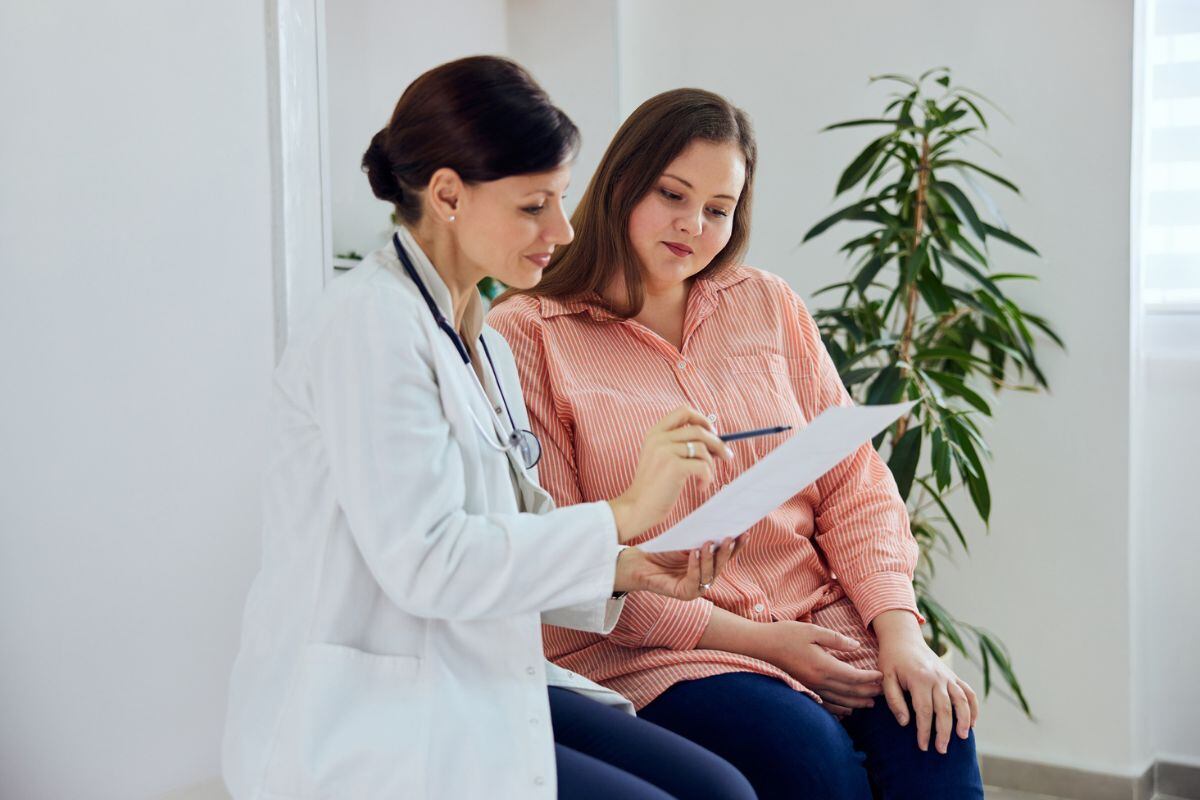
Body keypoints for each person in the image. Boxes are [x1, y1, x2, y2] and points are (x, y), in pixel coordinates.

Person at [221, 59, 754, 800]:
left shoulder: (485, 341)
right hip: (375, 714)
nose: (563, 231)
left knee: (721, 790)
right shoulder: (368, 326)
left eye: (563, 201)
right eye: (535, 205)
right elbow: (431, 562)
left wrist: (628, 564)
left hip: (470, 673)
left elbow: (516, 523)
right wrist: (624, 512)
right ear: (446, 194)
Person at [488, 87, 985, 799]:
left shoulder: (767, 304)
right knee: (810, 761)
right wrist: (757, 643)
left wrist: (902, 633)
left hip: (820, 614)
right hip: (660, 650)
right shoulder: (528, 333)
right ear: (622, 182)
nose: (693, 225)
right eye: (672, 194)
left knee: (937, 731)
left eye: (718, 210)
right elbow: (568, 554)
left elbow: (855, 485)